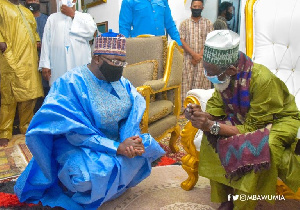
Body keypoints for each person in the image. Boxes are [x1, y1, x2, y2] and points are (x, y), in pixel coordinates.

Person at [14, 31, 165, 209]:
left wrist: (130, 141)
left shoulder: (121, 82)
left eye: (123, 63)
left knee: (146, 148)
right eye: (115, 62)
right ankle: (66, 185)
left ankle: (111, 183)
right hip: (79, 145)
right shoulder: (70, 83)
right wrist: (117, 148)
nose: (120, 67)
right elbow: (74, 132)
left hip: (118, 141)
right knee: (85, 178)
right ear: (97, 58)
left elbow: (131, 114)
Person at [185, 30, 300, 209]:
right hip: (243, 118)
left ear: (231, 69)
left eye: (212, 72)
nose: (209, 75)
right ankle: (226, 199)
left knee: (259, 147)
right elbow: (216, 108)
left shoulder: (262, 80)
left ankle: (243, 204)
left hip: (278, 119)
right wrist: (201, 115)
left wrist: (212, 125)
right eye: (206, 70)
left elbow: (253, 127)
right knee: (211, 137)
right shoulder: (225, 78)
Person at [0, 0, 43, 147]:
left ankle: (26, 127)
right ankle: (4, 132)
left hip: (29, 58)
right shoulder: (1, 5)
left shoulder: (26, 11)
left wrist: (37, 42)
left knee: (29, 95)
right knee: (9, 96)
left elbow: (34, 31)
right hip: (10, 56)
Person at [39, 0, 96, 86]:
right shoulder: (52, 18)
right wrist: (45, 64)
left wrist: (73, 15)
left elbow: (91, 33)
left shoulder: (85, 17)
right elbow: (46, 42)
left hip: (79, 62)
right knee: (60, 91)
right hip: (58, 65)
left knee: (80, 89)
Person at [179, 0, 213, 107]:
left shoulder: (208, 23)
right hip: (187, 59)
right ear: (190, 7)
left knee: (200, 85)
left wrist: (198, 56)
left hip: (202, 60)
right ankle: (185, 108)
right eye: (195, 6)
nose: (196, 8)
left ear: (202, 8)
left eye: (199, 6)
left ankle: (200, 109)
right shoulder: (184, 23)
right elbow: (182, 40)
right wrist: (194, 54)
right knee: (186, 84)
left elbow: (209, 41)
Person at [25, 0, 50, 112]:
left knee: (46, 89)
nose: (33, 2)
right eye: (30, 0)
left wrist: (43, 46)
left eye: (35, 0)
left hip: (45, 61)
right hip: (27, 60)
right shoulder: (22, 18)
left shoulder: (47, 20)